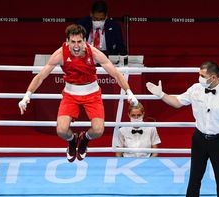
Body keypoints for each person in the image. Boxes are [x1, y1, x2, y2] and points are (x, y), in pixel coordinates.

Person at [18, 24, 138, 163]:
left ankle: (84, 138)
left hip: (92, 94)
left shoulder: (94, 53)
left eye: (79, 42)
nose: (76, 46)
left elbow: (116, 74)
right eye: (73, 42)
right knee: (61, 130)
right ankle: (72, 140)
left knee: (98, 130)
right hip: (70, 94)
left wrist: (129, 92)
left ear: (85, 41)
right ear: (67, 41)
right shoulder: (60, 54)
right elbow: (41, 76)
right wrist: (27, 95)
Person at [146, 61, 219, 197]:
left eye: (202, 75)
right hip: (199, 139)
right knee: (195, 177)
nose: (199, 78)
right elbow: (177, 102)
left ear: (213, 77)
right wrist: (161, 95)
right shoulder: (195, 89)